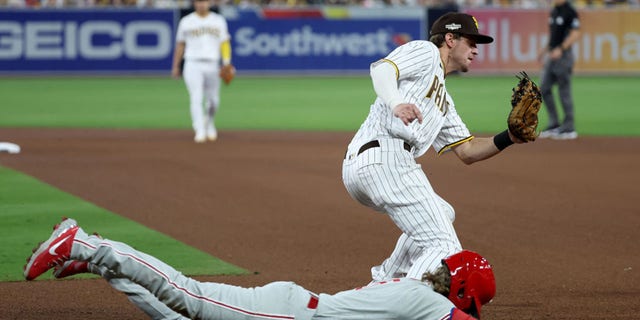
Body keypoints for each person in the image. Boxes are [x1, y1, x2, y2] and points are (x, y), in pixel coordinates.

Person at [342, 12, 530, 283]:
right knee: (445, 248)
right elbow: (381, 69)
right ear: (450, 39)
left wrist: (509, 137)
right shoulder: (427, 51)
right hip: (385, 157)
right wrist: (396, 102)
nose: (476, 50)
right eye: (472, 41)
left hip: (372, 164)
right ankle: (402, 302)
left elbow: (467, 151)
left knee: (443, 213)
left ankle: (383, 283)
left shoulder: (444, 100)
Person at [24, 217, 496, 320]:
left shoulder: (412, 293)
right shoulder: (425, 303)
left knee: (176, 315)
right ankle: (85, 243)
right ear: (461, 291)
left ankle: (96, 259)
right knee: (184, 295)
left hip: (290, 307)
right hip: (286, 316)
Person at [171, 0, 232, 143]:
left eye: (204, 1)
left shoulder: (218, 20)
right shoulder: (186, 21)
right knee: (196, 97)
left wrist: (227, 63)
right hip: (192, 63)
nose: (201, 4)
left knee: (213, 101)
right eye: (198, 2)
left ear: (209, 3)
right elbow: (180, 45)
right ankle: (199, 129)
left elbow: (224, 42)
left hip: (212, 64)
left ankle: (209, 123)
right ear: (194, 4)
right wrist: (175, 66)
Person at [537, 0, 581, 140]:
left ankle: (569, 127)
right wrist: (544, 50)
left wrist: (561, 49)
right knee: (544, 88)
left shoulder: (570, 11)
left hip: (564, 55)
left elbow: (575, 34)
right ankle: (554, 123)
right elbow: (554, 35)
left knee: (564, 91)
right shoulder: (555, 10)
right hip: (552, 54)